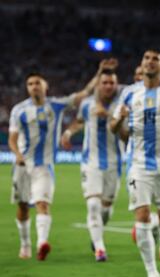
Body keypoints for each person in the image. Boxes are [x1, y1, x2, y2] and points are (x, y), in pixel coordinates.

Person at [8, 61, 107, 260]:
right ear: (27, 88)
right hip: (22, 166)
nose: (34, 86)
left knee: (43, 204)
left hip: (44, 166)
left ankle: (41, 244)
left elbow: (83, 94)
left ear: (45, 86)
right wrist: (18, 154)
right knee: (23, 207)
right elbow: (12, 138)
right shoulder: (19, 110)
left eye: (37, 83)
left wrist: (99, 73)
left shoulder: (55, 105)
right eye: (30, 84)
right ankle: (25, 243)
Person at [111, 49, 160, 277]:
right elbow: (114, 128)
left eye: (155, 58)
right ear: (142, 63)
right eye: (146, 58)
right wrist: (119, 121)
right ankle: (151, 270)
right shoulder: (129, 93)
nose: (150, 62)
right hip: (137, 164)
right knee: (142, 215)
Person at [61, 69, 127, 261]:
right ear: (98, 85)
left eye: (111, 83)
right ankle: (99, 248)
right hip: (90, 162)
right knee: (93, 205)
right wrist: (68, 133)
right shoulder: (87, 104)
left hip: (114, 163)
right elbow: (79, 121)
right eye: (104, 82)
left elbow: (125, 136)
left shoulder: (121, 106)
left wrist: (108, 116)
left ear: (116, 85)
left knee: (106, 208)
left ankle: (96, 234)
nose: (108, 86)